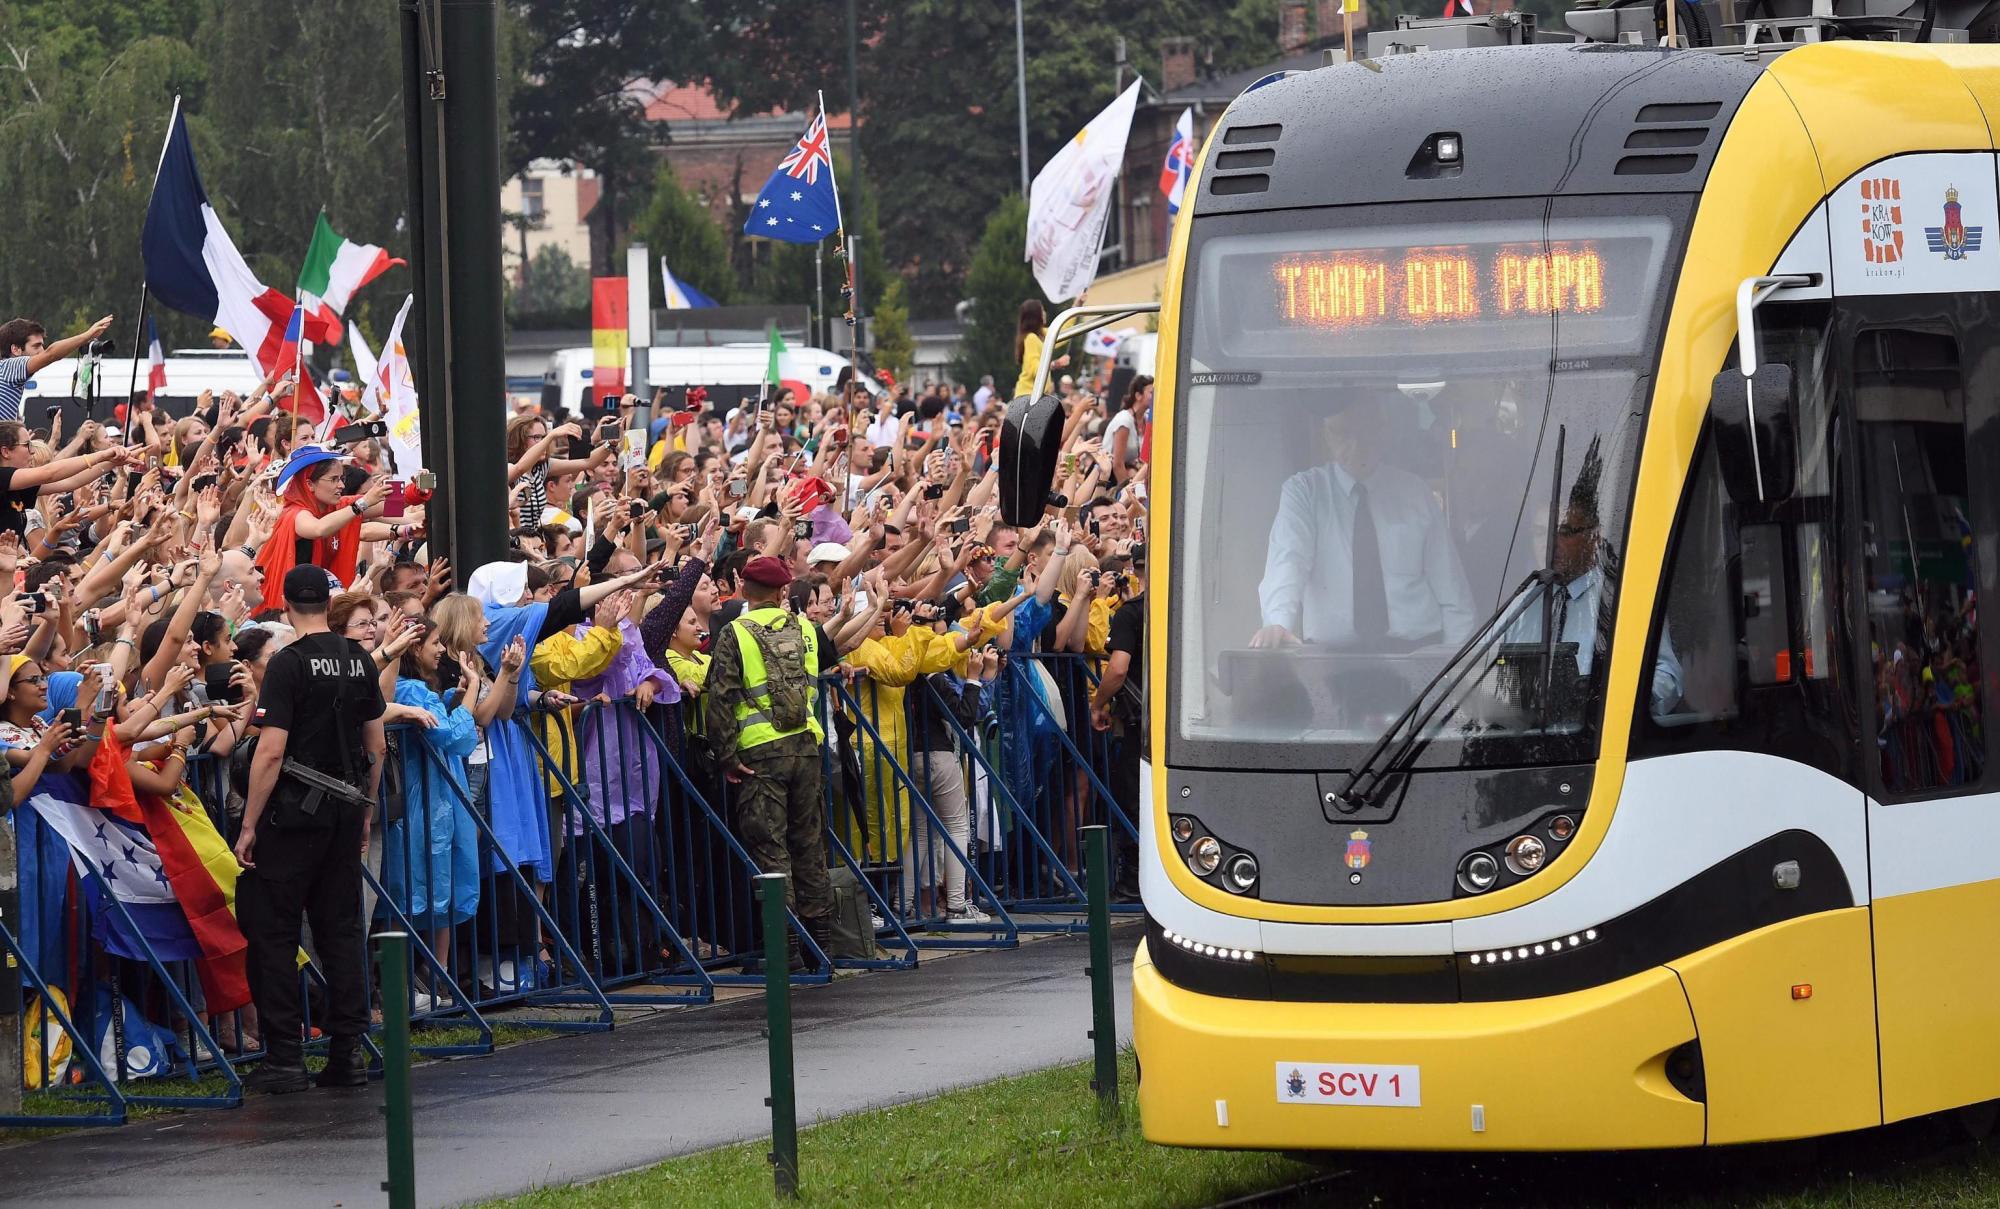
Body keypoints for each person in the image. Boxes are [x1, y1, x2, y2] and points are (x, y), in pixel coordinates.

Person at [233, 565, 387, 1094]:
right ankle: (348, 1054)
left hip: (293, 813)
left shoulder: (288, 663)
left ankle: (284, 1057)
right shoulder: (359, 658)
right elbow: (377, 745)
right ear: (327, 601)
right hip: (345, 809)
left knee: (272, 933)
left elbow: (271, 750)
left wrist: (249, 823)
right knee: (340, 933)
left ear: (284, 602)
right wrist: (365, 811)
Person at [1252, 397, 1476, 650]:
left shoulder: (1415, 492)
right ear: (1326, 435)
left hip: (1415, 653)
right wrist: (1277, 621)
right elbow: (1289, 559)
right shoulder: (1304, 492)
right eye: (1343, 433)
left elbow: (1451, 590)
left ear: (1383, 432)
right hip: (1334, 660)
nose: (1357, 446)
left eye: (1366, 432)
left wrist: (1456, 668)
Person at [705, 555, 833, 964]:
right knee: (810, 844)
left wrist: (725, 755)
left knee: (771, 849)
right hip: (806, 746)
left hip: (759, 754)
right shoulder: (807, 630)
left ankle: (787, 948)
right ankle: (823, 945)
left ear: (742, 589)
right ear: (782, 593)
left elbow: (720, 697)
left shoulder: (734, 634)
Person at [0, 313, 115, 422]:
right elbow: (51, 355)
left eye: (42, 346)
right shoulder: (9, 367)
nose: (42, 351)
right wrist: (87, 335)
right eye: (36, 346)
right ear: (15, 349)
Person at [1012, 299, 1067, 401]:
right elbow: (1035, 368)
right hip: (1027, 397)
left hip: (1034, 398)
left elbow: (1063, 333)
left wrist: (1076, 305)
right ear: (1036, 316)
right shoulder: (1031, 338)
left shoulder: (1042, 335)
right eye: (1042, 310)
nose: (1044, 313)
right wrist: (1055, 364)